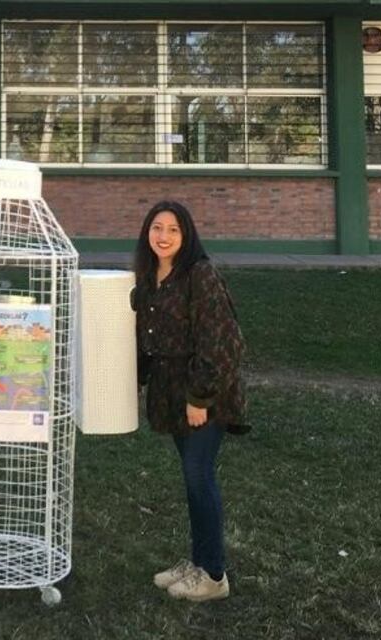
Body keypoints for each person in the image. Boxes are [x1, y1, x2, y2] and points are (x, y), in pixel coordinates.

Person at [131, 200, 248, 602]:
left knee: (200, 477)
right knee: (192, 479)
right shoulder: (148, 279)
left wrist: (200, 397)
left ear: (187, 235)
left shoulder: (201, 275)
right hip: (171, 396)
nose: (163, 236)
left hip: (204, 394)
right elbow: (145, 341)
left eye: (173, 230)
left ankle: (214, 575)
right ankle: (198, 562)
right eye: (157, 228)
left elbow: (222, 343)